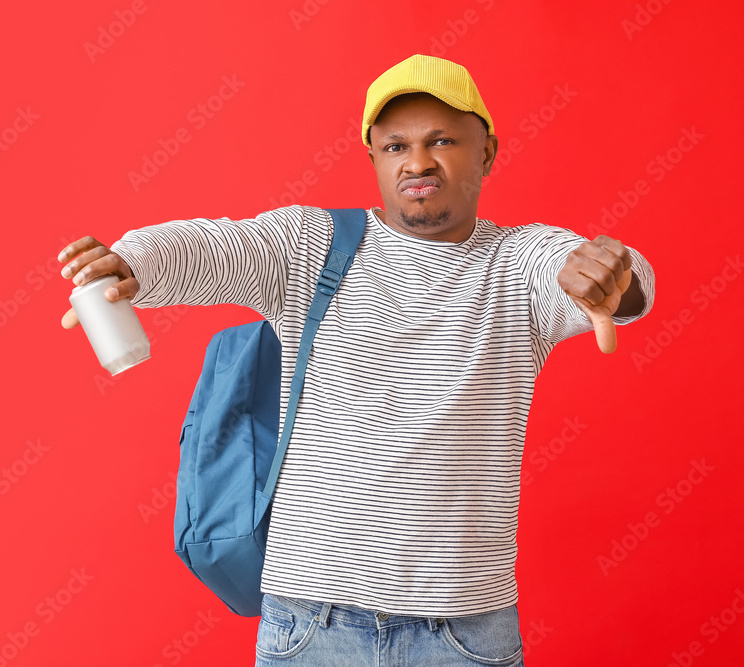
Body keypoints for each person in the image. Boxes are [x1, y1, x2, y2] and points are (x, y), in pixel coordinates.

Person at [57, 54, 655, 666]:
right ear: (374, 157)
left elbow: (601, 276)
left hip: (465, 634)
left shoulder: (518, 263)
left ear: (488, 151)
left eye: (442, 140)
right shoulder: (311, 246)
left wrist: (612, 278)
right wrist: (131, 263)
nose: (417, 161)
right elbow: (212, 245)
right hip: (310, 627)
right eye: (394, 146)